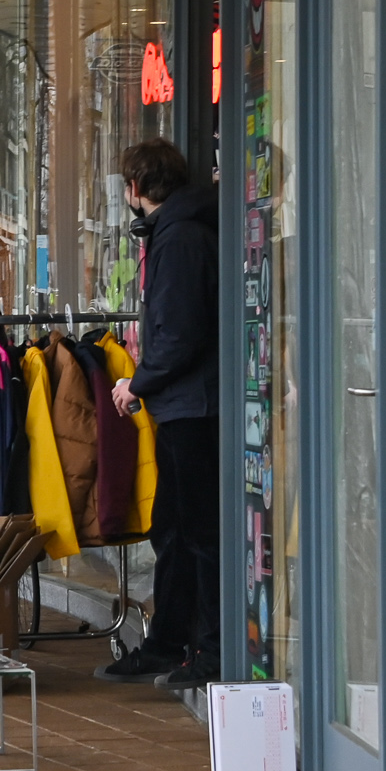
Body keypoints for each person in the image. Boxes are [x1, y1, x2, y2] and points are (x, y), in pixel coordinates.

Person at [102, 137, 220, 689]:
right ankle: (172, 641)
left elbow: (179, 333)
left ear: (136, 189)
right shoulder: (184, 231)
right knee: (175, 527)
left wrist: (137, 383)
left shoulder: (178, 239)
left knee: (192, 532)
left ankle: (204, 649)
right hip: (189, 402)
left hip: (191, 406)